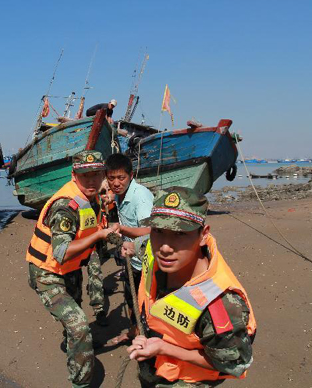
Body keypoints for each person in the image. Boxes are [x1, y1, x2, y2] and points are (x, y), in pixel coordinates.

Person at [127, 187, 257, 388]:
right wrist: (129, 246)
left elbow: (233, 364)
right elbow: (144, 245)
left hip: (188, 380)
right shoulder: (155, 251)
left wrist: (164, 348)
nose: (165, 247)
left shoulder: (219, 303)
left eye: (180, 234)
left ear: (203, 235)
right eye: (159, 231)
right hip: (153, 368)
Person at [26, 150, 119, 388]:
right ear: (73, 175)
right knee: (79, 325)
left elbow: (93, 233)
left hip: (70, 269)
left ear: (103, 175)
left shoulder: (93, 198)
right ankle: (81, 383)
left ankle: (77, 346)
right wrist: (100, 234)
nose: (91, 180)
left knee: (76, 320)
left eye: (96, 174)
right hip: (47, 273)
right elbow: (61, 251)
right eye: (85, 175)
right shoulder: (65, 206)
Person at [104, 153, 153, 343]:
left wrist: (122, 228)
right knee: (130, 297)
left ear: (131, 175)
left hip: (147, 260)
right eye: (111, 178)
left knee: (145, 302)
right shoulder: (119, 194)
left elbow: (150, 230)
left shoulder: (139, 196)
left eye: (121, 178)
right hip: (132, 258)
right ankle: (135, 330)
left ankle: (146, 337)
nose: (116, 183)